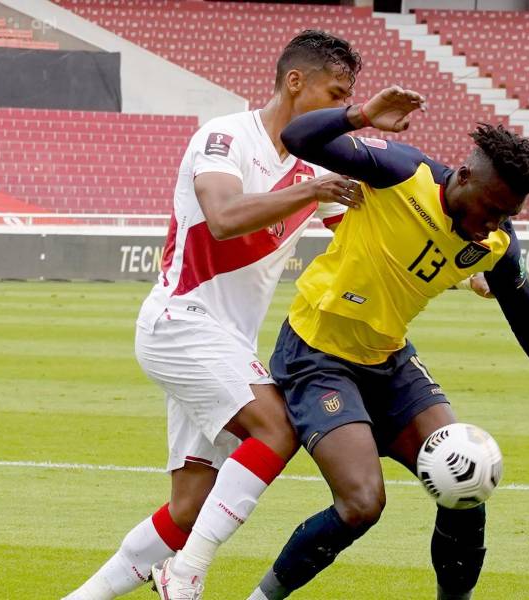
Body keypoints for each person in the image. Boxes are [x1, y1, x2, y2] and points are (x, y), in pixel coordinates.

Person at [157, 86, 529, 600]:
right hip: (316, 357)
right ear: (463, 178)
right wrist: (362, 115)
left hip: (390, 362)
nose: (491, 225)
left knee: (466, 485)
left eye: (505, 216)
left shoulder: (495, 243)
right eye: (489, 209)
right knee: (361, 504)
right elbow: (297, 136)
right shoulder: (403, 172)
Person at [62, 30, 364, 600]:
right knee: (276, 428)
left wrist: (462, 266)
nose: (342, 111)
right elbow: (223, 217)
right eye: (335, 93)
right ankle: (185, 574)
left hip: (226, 345)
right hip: (182, 322)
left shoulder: (311, 169)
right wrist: (312, 191)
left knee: (189, 506)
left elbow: (365, 243)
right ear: (295, 82)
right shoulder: (225, 137)